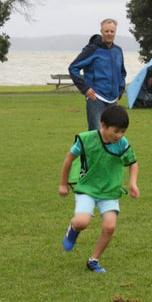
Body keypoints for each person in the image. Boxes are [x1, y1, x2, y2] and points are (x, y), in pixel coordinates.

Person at [59, 105, 139, 273]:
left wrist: (133, 183)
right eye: (116, 131)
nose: (120, 135)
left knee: (110, 227)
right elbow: (69, 159)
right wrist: (63, 183)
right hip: (87, 188)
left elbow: (133, 163)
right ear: (103, 125)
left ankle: (93, 260)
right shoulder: (87, 139)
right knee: (82, 222)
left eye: (123, 131)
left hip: (109, 191)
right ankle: (73, 229)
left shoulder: (122, 144)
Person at [69, 18, 127, 130]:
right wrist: (85, 89)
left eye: (112, 31)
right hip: (96, 98)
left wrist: (120, 89)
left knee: (111, 133)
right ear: (101, 32)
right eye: (106, 31)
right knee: (96, 134)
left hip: (113, 99)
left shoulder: (118, 51)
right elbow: (73, 68)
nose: (109, 34)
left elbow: (122, 72)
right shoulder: (92, 49)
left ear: (115, 32)